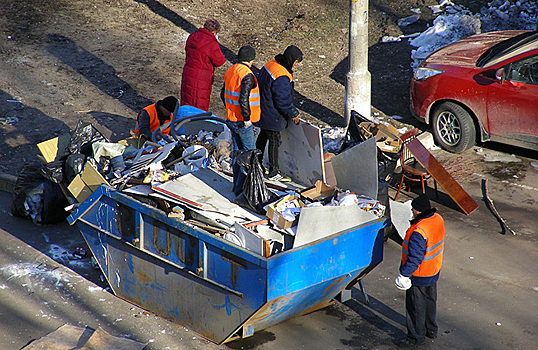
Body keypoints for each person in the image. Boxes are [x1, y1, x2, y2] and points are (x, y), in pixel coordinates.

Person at [394, 194, 445, 347]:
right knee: (430, 302)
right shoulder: (437, 219)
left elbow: (415, 258)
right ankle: (431, 330)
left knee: (416, 306)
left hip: (419, 274)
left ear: (419, 211)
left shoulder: (419, 230)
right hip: (434, 269)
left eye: (414, 210)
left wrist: (404, 274)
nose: (412, 211)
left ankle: (416, 338)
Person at [255, 45, 303, 182]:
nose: (296, 64)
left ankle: (257, 163)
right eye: (296, 61)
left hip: (262, 109)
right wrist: (293, 112)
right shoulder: (282, 75)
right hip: (272, 113)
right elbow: (282, 100)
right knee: (275, 140)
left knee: (263, 136)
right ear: (290, 59)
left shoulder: (271, 64)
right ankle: (274, 171)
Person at [220, 45, 260, 195]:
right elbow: (244, 99)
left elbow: (223, 93)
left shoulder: (230, 71)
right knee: (249, 156)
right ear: (251, 60)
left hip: (232, 119)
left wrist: (230, 110)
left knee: (237, 153)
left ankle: (237, 187)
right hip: (243, 122)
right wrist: (246, 118)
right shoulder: (247, 75)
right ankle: (246, 190)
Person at [180, 19, 226, 111]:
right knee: (199, 104)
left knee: (187, 100)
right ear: (214, 32)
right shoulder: (211, 43)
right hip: (202, 78)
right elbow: (219, 61)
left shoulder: (192, 36)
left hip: (188, 74)